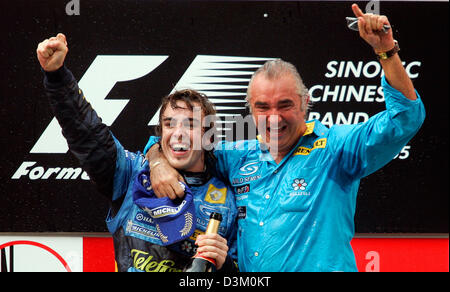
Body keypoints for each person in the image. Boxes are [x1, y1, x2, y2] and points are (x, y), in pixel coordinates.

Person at [144, 4, 426, 272]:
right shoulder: (235, 156)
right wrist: (157, 163)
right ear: (250, 110)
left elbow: (405, 118)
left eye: (285, 105)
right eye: (263, 107)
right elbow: (175, 147)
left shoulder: (336, 148)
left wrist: (386, 50)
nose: (274, 118)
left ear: (306, 103)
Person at [36, 33, 238, 272]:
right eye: (170, 124)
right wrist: (58, 77)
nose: (178, 133)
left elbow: (244, 272)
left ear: (209, 137)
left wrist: (224, 266)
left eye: (190, 124)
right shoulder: (132, 173)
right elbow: (87, 133)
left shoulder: (227, 201)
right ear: (160, 133)